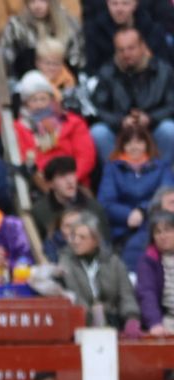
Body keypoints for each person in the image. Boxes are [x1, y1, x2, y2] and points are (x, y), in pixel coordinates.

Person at [90, 26, 174, 166]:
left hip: (153, 129)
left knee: (170, 130)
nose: (126, 54)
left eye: (131, 48)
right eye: (121, 50)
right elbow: (98, 108)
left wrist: (150, 118)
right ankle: (118, 174)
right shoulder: (107, 73)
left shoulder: (164, 71)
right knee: (98, 132)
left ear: (142, 47)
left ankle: (162, 178)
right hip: (121, 133)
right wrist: (121, 121)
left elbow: (172, 104)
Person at [12, 69, 96, 186]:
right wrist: (51, 182)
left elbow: (85, 156)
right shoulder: (19, 127)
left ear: (51, 100)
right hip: (43, 184)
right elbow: (27, 158)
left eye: (43, 99)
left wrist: (70, 180)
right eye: (34, 100)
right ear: (26, 104)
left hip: (75, 181)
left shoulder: (72, 122)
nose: (39, 104)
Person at [56, 214, 138, 331]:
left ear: (96, 240)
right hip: (82, 324)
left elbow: (126, 295)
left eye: (82, 237)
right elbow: (74, 296)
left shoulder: (112, 262)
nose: (76, 241)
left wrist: (131, 317)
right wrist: (93, 318)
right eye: (74, 236)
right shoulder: (66, 262)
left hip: (113, 320)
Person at [97, 124, 171, 248]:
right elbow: (105, 202)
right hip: (122, 228)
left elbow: (167, 198)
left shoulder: (161, 167)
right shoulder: (112, 168)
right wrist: (127, 214)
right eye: (129, 143)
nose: (134, 147)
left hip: (155, 225)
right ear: (122, 146)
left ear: (147, 144)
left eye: (139, 142)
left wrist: (142, 210)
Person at [1, 0, 84, 79]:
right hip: (27, 82)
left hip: (64, 80)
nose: (37, 6)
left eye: (43, 0)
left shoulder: (68, 25)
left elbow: (76, 59)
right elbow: (7, 60)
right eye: (32, 1)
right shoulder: (16, 27)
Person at [135, 213, 174, 334]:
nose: (163, 236)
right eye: (158, 232)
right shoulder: (148, 260)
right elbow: (147, 293)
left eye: (168, 230)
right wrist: (154, 322)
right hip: (167, 319)